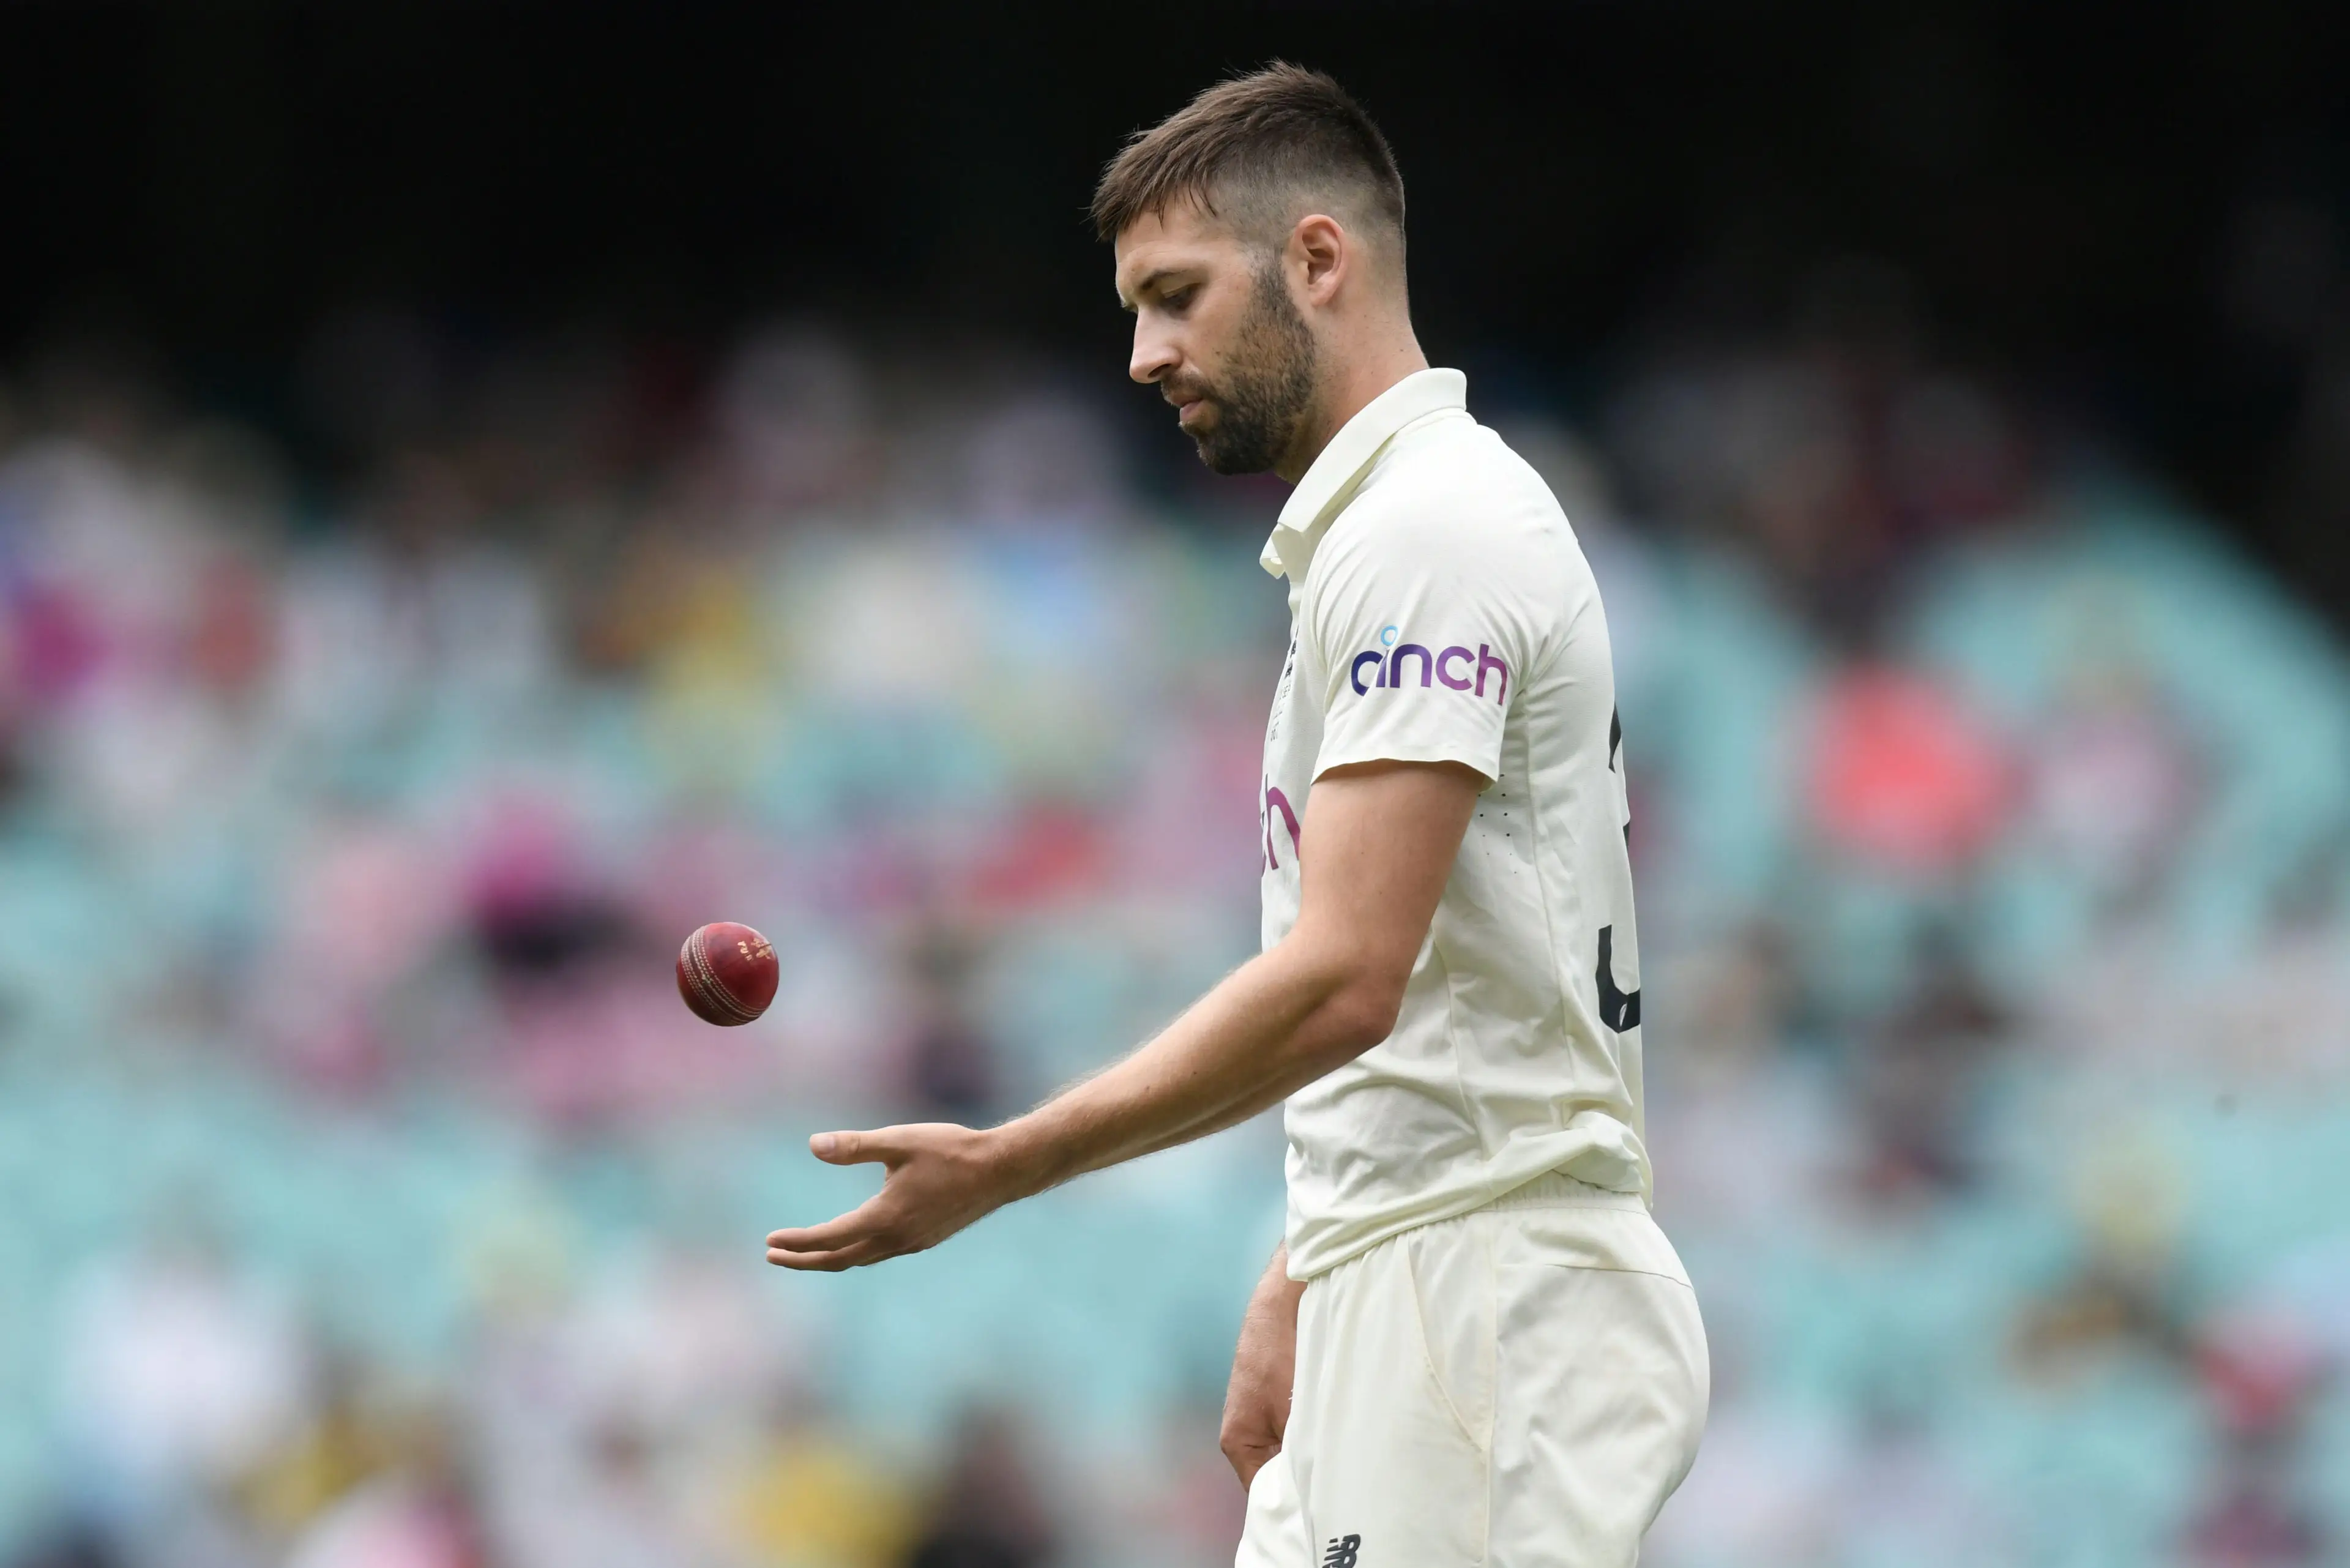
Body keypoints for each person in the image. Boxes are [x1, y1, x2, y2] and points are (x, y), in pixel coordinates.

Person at [767, 63, 1709, 1566]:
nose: (1142, 354)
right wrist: (1311, 1262)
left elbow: (1346, 977)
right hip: (1408, 1276)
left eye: (1177, 296)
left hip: (1486, 1309)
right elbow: (1454, 999)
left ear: (1318, 261)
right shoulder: (1382, 535)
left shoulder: (1429, 530)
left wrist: (1013, 1160)